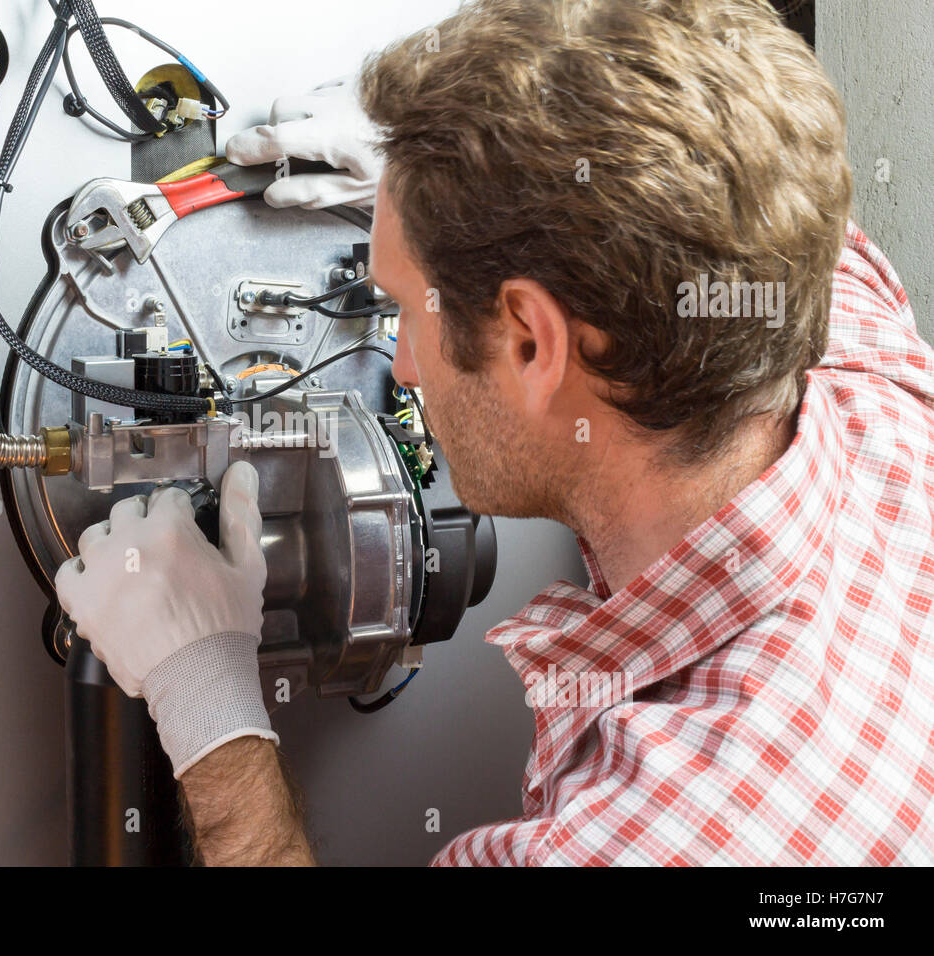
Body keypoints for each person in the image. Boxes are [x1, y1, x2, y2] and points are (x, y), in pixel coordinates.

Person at [55, 0, 934, 866]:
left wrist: (208, 708)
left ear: (531, 342)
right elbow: (739, 172)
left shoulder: (647, 841)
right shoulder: (874, 380)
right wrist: (440, 176)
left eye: (400, 308)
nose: (398, 366)